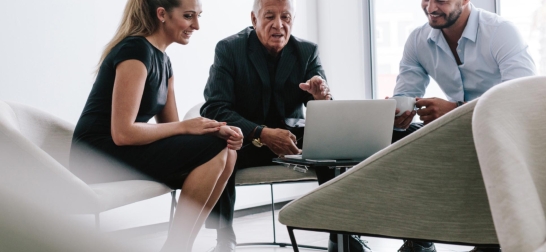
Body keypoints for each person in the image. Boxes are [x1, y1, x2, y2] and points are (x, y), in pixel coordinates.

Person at [69, 0, 244, 251]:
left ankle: (180, 246)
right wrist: (187, 128)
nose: (196, 25)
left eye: (198, 16)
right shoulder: (135, 51)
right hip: (96, 154)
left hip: (122, 149)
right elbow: (123, 133)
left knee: (226, 149)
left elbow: (173, 130)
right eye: (188, 16)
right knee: (215, 147)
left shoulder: (164, 61)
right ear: (162, 14)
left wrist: (216, 129)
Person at [200, 0, 372, 251]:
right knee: (219, 144)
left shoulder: (306, 51)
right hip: (247, 140)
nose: (278, 25)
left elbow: (327, 112)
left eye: (286, 17)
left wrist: (320, 98)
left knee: (336, 146)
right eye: (269, 16)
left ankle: (341, 234)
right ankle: (224, 238)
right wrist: (262, 133)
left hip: (292, 141)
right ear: (253, 19)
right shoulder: (229, 49)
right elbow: (215, 108)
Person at [391, 0, 536, 252]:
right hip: (460, 131)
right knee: (397, 140)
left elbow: (521, 100)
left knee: (487, 145)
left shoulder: (501, 32)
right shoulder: (418, 40)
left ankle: (490, 242)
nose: (430, 7)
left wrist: (455, 110)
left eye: (441, 1)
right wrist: (398, 112)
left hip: (508, 130)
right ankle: (420, 239)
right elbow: (405, 92)